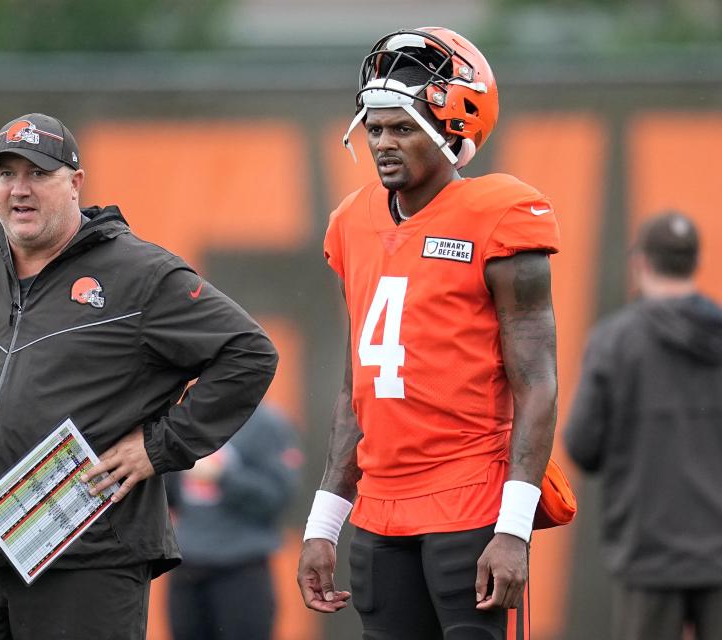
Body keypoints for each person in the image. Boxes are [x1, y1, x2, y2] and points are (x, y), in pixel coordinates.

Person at [0, 112, 278, 640]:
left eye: (38, 174)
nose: (19, 190)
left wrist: (159, 447)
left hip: (85, 556)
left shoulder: (139, 273)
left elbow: (248, 352)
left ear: (75, 183)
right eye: (6, 174)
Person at [296, 28, 561, 639]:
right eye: (376, 127)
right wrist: (323, 522)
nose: (383, 143)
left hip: (469, 504)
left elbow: (538, 384)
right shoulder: (351, 222)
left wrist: (513, 528)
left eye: (404, 128)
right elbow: (354, 386)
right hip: (380, 512)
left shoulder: (500, 214)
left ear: (452, 132)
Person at [564, 212, 722, 640]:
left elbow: (582, 446)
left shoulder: (616, 340)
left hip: (648, 547)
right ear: (694, 262)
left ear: (641, 262)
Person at [164, 403, 301, 640]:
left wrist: (223, 477)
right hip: (187, 565)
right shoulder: (186, 419)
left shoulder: (265, 424)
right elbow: (169, 491)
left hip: (241, 567)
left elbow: (279, 496)